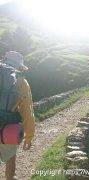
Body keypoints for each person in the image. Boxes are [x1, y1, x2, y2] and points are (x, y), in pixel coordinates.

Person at [0, 51, 35, 180]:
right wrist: (29, 136)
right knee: (10, 159)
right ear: (19, 66)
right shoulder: (21, 82)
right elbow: (27, 111)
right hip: (8, 128)